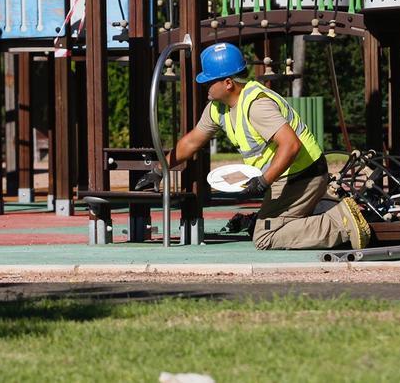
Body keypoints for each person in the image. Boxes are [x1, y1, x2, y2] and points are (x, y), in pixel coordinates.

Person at [136, 42, 372, 250]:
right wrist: (159, 169)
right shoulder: (218, 108)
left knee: (264, 235)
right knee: (270, 222)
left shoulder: (256, 105)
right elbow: (191, 142)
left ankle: (339, 222)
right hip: (291, 176)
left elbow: (290, 146)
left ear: (228, 83)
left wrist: (263, 181)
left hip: (301, 176)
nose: (204, 85)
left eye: (209, 81)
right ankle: (321, 206)